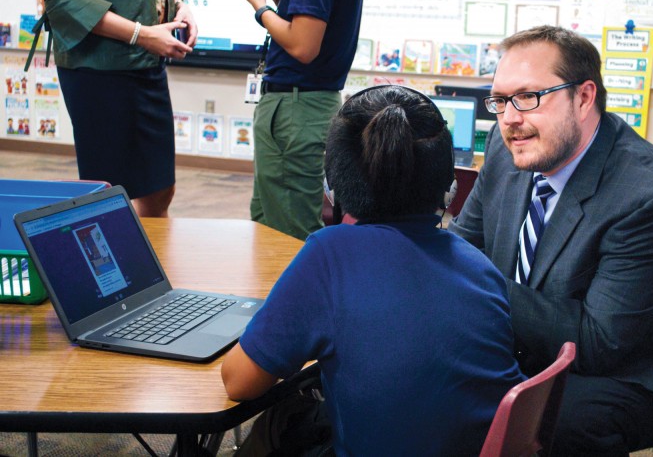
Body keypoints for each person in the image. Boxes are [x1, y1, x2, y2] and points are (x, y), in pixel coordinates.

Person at [449, 26, 653, 456]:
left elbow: (599, 342)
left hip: (639, 363)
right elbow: (464, 247)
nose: (508, 118)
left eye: (528, 97)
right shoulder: (507, 145)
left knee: (555, 421)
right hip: (543, 330)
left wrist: (472, 281)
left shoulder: (651, 196)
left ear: (583, 98)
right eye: (500, 100)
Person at [221, 85, 525, 456]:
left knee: (278, 421)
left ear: (333, 184)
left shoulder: (329, 255)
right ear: (449, 188)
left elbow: (238, 382)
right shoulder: (479, 266)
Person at [43, 0, 197, 217]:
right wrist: (142, 34)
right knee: (106, 192)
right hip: (99, 68)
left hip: (146, 62)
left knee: (159, 188)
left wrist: (179, 5)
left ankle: (144, 254)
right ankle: (108, 254)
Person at [235, 0, 364, 240]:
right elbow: (311, 28)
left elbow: (303, 47)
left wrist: (257, 3)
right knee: (270, 222)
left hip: (296, 108)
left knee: (288, 233)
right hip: (306, 104)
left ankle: (297, 287)